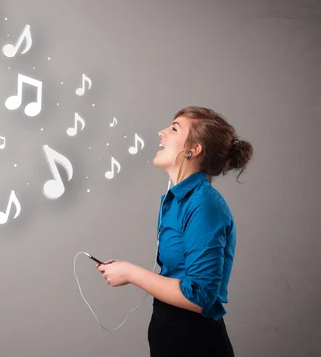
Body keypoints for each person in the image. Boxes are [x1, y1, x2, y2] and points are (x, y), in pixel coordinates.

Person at [96, 106, 253, 357]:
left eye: (174, 128)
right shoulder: (180, 200)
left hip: (195, 343)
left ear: (194, 149)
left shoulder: (203, 204)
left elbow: (199, 295)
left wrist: (130, 273)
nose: (161, 133)